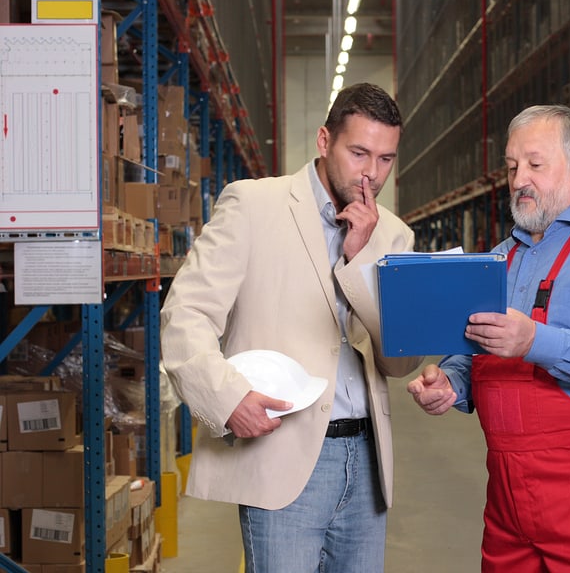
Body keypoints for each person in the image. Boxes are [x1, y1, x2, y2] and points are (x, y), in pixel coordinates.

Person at [160, 82, 422, 573]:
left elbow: (401, 360)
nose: (372, 174)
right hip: (285, 452)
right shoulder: (254, 205)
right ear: (325, 142)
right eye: (359, 152)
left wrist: (363, 262)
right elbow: (185, 315)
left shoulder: (393, 235)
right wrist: (225, 397)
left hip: (367, 462)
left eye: (386, 159)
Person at [407, 104, 570, 572]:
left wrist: (534, 342)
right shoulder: (497, 259)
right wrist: (450, 380)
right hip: (506, 492)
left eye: (534, 164)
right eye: (511, 167)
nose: (519, 178)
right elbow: (475, 349)